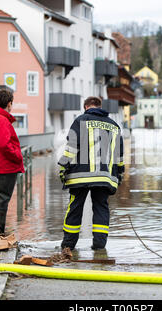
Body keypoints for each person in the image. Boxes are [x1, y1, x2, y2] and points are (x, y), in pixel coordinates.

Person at [58, 97, 124, 251]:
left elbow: (71, 147)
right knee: (101, 207)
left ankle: (68, 245)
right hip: (104, 177)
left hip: (79, 175)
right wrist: (120, 172)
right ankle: (99, 245)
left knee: (75, 207)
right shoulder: (114, 126)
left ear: (85, 106)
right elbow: (119, 154)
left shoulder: (80, 120)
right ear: (100, 106)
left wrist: (63, 167)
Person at [0, 89, 24, 234]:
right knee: (2, 199)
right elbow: (4, 144)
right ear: (9, 103)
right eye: (11, 103)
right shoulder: (2, 120)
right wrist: (18, 156)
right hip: (6, 165)